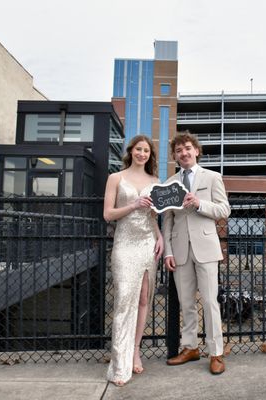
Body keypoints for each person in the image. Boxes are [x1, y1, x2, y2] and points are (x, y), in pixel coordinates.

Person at [162, 131, 231, 375]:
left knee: (211, 302)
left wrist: (199, 204)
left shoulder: (212, 177)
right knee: (187, 303)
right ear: (175, 156)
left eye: (188, 148)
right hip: (180, 251)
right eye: (179, 150)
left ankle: (216, 353)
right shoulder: (170, 183)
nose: (184, 153)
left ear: (196, 151)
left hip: (206, 248)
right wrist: (167, 252)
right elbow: (167, 221)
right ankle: (190, 347)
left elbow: (224, 209)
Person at [104, 134, 164, 387]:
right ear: (131, 151)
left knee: (143, 300)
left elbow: (153, 216)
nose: (142, 154)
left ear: (150, 155)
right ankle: (120, 362)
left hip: (149, 243)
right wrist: (133, 204)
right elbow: (108, 214)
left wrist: (160, 237)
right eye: (139, 149)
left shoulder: (155, 181)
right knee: (123, 301)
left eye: (147, 151)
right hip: (125, 245)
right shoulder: (115, 178)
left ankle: (136, 350)